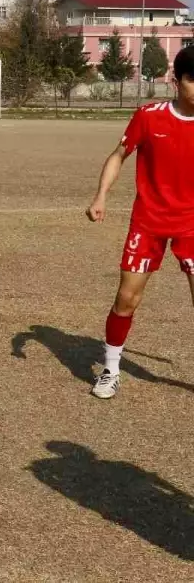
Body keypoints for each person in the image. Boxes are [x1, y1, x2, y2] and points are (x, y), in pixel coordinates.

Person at [86, 45, 194, 399]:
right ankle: (111, 369)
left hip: (192, 225)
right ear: (176, 81)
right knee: (126, 299)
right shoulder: (149, 117)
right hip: (148, 222)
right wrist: (101, 195)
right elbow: (119, 155)